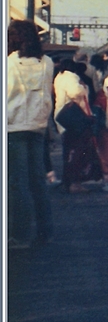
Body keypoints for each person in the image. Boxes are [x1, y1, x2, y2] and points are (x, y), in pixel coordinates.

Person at [7, 19, 55, 248]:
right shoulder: (48, 63)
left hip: (13, 127)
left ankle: (20, 235)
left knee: (18, 183)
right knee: (38, 181)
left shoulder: (8, 64)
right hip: (38, 126)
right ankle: (45, 231)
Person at [55, 65, 97, 193]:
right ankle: (75, 183)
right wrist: (83, 86)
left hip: (65, 118)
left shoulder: (59, 77)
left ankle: (67, 181)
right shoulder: (71, 77)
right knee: (78, 151)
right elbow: (76, 92)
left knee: (68, 152)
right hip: (75, 119)